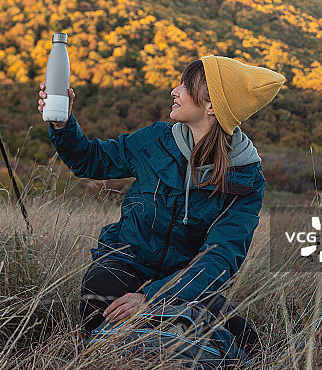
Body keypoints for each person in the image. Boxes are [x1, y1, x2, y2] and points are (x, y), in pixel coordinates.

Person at [38, 55, 285, 352]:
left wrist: (153, 298)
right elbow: (91, 160)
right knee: (100, 291)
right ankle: (163, 338)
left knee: (249, 345)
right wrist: (63, 125)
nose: (175, 91)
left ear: (210, 105)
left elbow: (220, 258)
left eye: (185, 86)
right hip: (127, 265)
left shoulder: (246, 177)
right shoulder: (155, 140)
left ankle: (157, 337)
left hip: (186, 283)